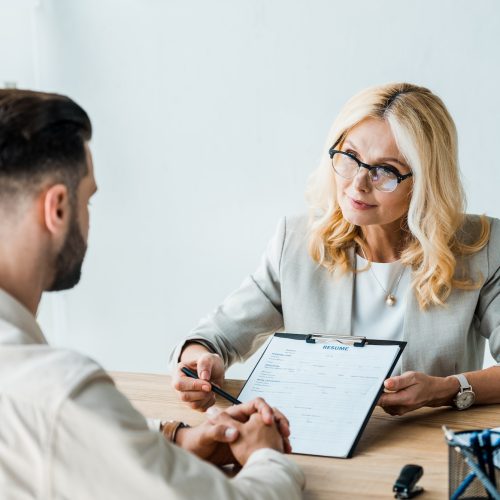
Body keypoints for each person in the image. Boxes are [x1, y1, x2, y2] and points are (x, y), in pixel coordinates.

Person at [0, 89, 304, 499]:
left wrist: (176, 439)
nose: (89, 219)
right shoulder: (58, 394)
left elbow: (71, 441)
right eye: (87, 199)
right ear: (56, 208)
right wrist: (269, 459)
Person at [172, 82, 500, 417]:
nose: (358, 183)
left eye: (385, 171)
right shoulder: (297, 241)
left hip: (429, 446)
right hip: (314, 442)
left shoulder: (482, 247)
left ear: (425, 182)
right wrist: (200, 358)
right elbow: (216, 336)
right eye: (351, 158)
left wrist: (447, 389)